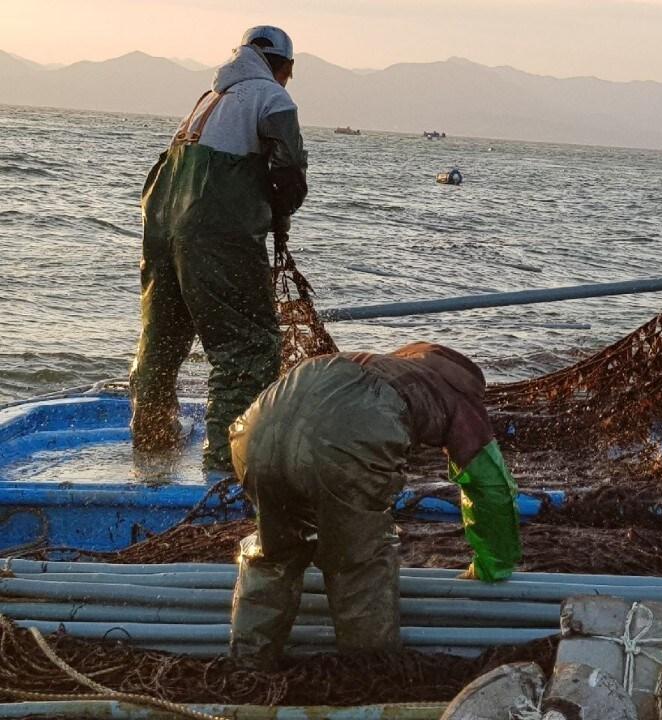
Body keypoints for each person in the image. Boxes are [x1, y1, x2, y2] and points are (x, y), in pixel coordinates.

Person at [227, 342, 523, 668]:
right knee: (358, 558)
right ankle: (368, 670)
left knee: (274, 549)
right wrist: (492, 565)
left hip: (253, 431)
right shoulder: (456, 393)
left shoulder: (373, 363)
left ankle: (247, 663)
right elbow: (490, 486)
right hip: (346, 435)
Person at [129, 26, 308, 471]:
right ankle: (227, 467)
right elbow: (288, 171)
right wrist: (281, 213)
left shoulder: (208, 100)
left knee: (161, 343)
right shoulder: (272, 99)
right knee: (247, 347)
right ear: (282, 66)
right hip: (214, 228)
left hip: (160, 225)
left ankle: (152, 451)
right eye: (289, 71)